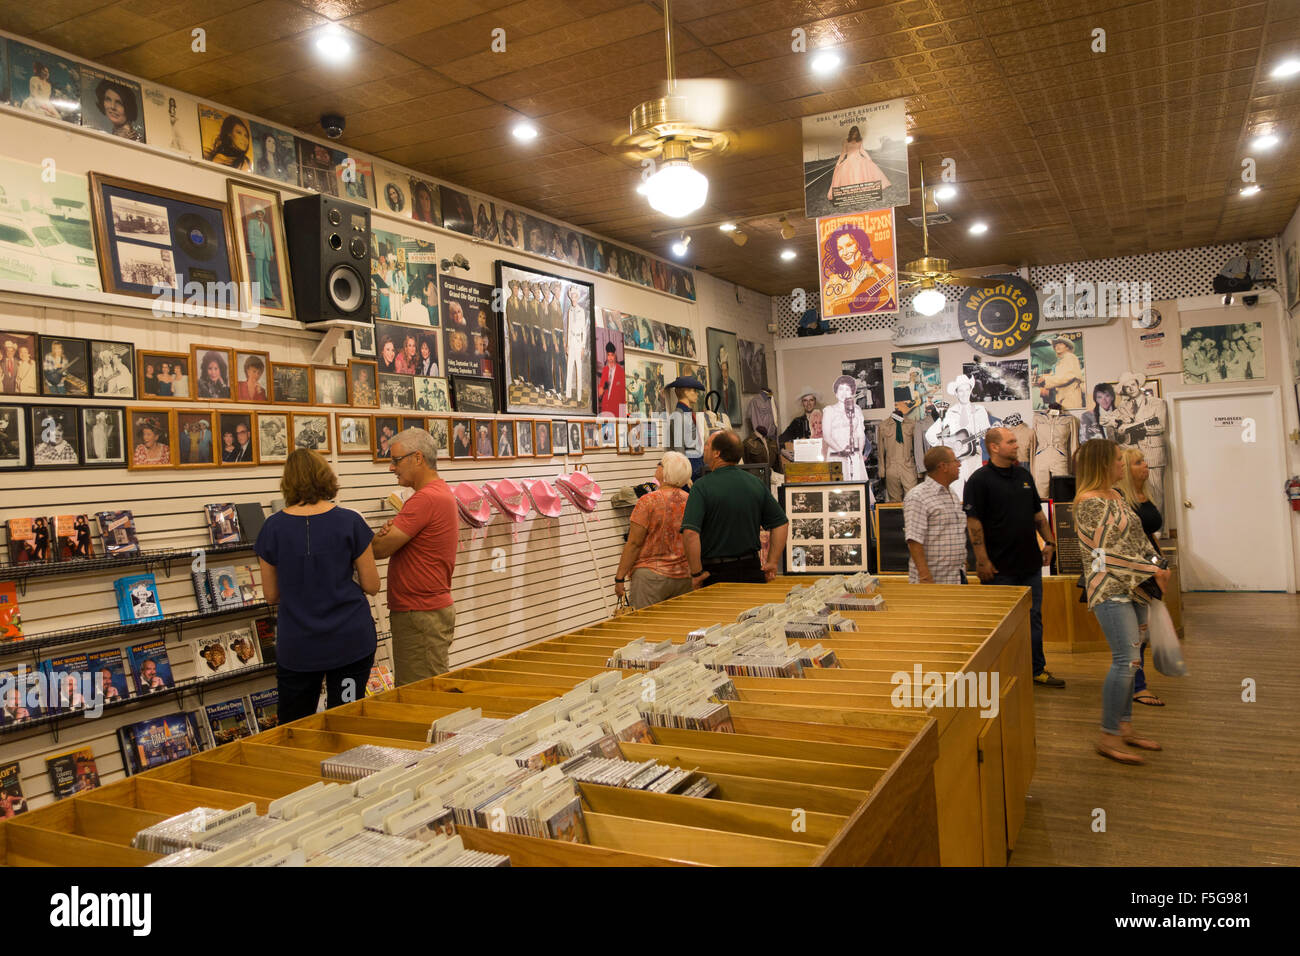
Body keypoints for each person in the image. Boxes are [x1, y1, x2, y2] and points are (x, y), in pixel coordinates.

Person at [255, 450, 380, 723]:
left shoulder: (271, 528)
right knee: (345, 719)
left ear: (287, 482)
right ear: (326, 477)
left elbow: (271, 595)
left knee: (296, 728)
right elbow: (372, 585)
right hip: (350, 642)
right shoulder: (351, 522)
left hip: (299, 645)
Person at [1074, 439, 1169, 764]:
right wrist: (1150, 569)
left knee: (1133, 662)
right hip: (1110, 590)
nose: (1123, 465)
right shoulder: (1088, 503)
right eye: (1117, 459)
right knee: (1125, 661)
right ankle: (1108, 734)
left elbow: (1139, 539)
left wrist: (1159, 565)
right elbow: (1105, 557)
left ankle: (1124, 727)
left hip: (1136, 587)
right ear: (1102, 464)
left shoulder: (1116, 496)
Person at [964, 426, 1065, 687]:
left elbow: (1038, 516)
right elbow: (974, 524)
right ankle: (1003, 675)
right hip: (998, 570)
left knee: (1033, 619)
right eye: (1010, 442)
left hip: (1029, 565)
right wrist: (982, 560)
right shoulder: (978, 480)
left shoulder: (1024, 475)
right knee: (1000, 625)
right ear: (994, 447)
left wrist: (1050, 542)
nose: (1017, 445)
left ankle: (1036, 670)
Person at [371, 429, 459, 682]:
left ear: (417, 458)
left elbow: (379, 549)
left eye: (396, 460)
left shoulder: (425, 499)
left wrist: (381, 536)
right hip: (424, 614)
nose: (391, 467)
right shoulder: (438, 494)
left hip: (419, 615)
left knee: (420, 697)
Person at [681, 431, 789, 587]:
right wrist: (772, 562)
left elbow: (690, 534)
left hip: (715, 574)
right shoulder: (755, 483)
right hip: (751, 569)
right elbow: (781, 523)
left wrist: (697, 574)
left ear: (717, 453)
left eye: (707, 445)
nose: (704, 448)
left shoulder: (701, 487)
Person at [1118, 445, 1166, 708]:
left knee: (1143, 631)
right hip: (1131, 572)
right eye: (1138, 463)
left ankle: (1137, 682)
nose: (1145, 466)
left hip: (1151, 568)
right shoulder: (1119, 499)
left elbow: (1149, 536)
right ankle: (1137, 685)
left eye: (1145, 461)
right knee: (1134, 633)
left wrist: (1161, 565)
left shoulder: (1145, 494)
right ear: (1125, 469)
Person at [614, 452, 693, 609]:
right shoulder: (691, 500)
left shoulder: (648, 501)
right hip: (684, 575)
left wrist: (619, 577)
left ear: (665, 472)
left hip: (650, 577)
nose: (657, 466)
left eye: (660, 464)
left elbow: (634, 543)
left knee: (645, 627)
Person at [904, 446, 967, 584]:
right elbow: (914, 540)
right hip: (934, 581)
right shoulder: (917, 496)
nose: (959, 464)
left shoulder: (952, 493)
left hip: (956, 576)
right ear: (943, 466)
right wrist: (925, 577)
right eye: (955, 461)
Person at [924, 374, 990, 499]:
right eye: (960, 390)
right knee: (957, 493)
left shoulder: (980, 410)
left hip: (975, 456)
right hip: (956, 459)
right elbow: (930, 435)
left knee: (978, 493)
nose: (964, 393)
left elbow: (986, 434)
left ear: (970, 390)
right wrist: (948, 447)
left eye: (967, 389)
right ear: (956, 393)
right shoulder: (950, 412)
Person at [826, 124, 891, 201]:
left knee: (864, 170)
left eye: (856, 134)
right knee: (849, 174)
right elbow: (843, 153)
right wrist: (838, 162)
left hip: (859, 159)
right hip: (849, 160)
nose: (854, 135)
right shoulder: (846, 141)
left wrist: (869, 159)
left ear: (858, 134)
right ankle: (852, 191)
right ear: (851, 133)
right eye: (853, 133)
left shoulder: (860, 140)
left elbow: (862, 150)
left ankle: (862, 190)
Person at [821, 375, 867, 480]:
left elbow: (861, 434)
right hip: (835, 456)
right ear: (836, 392)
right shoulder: (829, 410)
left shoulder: (857, 410)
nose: (844, 393)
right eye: (841, 389)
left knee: (857, 488)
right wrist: (842, 452)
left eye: (847, 389)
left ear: (852, 392)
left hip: (854, 456)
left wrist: (859, 453)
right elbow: (827, 436)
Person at [665, 374, 706, 480]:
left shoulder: (687, 413)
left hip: (698, 465)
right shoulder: (679, 416)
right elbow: (679, 449)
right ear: (686, 392)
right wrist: (685, 475)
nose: (697, 394)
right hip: (691, 468)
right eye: (694, 391)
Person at [1035, 336, 1084, 408]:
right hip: (1062, 397)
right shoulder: (1059, 362)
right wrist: (1043, 379)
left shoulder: (1070, 357)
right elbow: (1054, 376)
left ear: (1067, 347)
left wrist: (1045, 381)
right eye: (1056, 345)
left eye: (1060, 344)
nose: (1057, 346)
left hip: (1070, 397)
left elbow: (1068, 376)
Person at [245, 207, 275, 304]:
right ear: (256, 215)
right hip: (258, 251)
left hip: (266, 252)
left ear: (263, 215)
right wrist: (252, 250)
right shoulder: (252, 223)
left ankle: (268, 294)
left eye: (261, 214)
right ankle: (260, 296)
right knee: (259, 274)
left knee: (266, 273)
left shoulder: (266, 225)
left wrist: (270, 252)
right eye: (258, 214)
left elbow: (269, 240)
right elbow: (251, 237)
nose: (260, 216)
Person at [597, 342, 625, 416]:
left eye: (612, 355)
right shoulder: (605, 370)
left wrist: (622, 418)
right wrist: (601, 390)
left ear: (615, 355)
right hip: (605, 412)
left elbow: (623, 397)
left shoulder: (621, 372)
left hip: (615, 413)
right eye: (608, 355)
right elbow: (600, 391)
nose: (610, 358)